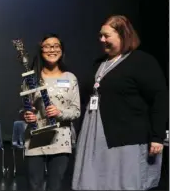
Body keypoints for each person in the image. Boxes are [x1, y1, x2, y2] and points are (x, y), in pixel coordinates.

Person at [72, 15, 168, 190]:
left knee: (122, 184)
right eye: (100, 35)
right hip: (94, 135)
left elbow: (160, 98)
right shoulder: (99, 63)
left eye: (106, 35)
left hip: (126, 137)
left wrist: (157, 136)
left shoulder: (141, 61)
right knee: (94, 183)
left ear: (123, 35)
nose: (101, 39)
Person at [21, 33, 80, 191]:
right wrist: (26, 115)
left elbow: (76, 111)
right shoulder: (31, 78)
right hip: (36, 137)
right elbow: (25, 108)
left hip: (60, 138)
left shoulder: (70, 78)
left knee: (55, 186)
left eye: (56, 46)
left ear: (61, 50)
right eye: (47, 46)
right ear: (41, 50)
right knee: (34, 186)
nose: (52, 49)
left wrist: (59, 112)